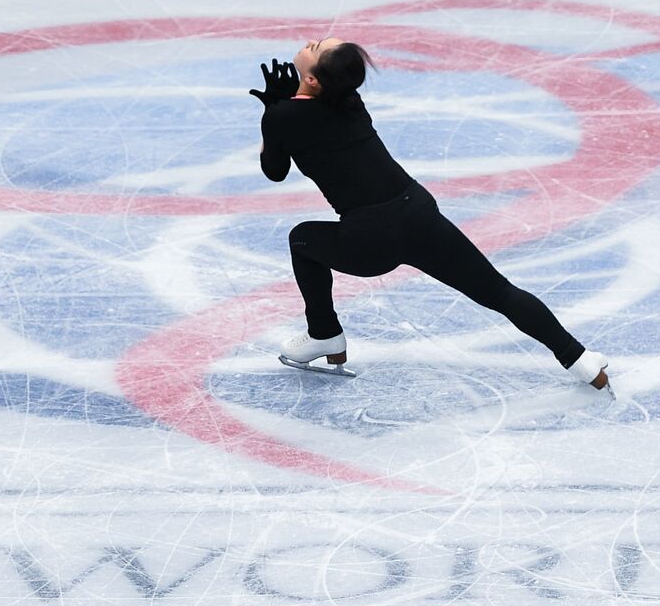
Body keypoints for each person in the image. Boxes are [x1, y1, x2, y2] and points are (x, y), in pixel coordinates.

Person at [250, 38, 611, 395]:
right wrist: (287, 105)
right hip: (417, 213)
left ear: (312, 80)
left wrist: (272, 112)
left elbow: (275, 170)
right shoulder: (350, 102)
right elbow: (313, 115)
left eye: (315, 48)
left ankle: (324, 334)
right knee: (499, 291)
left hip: (369, 239)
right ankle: (580, 360)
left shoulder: (283, 117)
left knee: (301, 239)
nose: (311, 42)